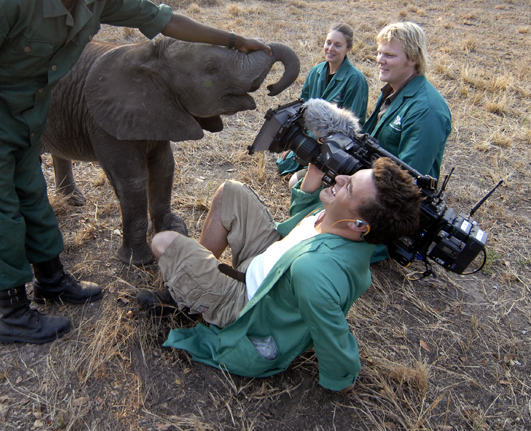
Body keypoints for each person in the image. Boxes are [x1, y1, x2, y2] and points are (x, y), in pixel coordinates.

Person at [0, 0, 271, 345]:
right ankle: (12, 312)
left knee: (33, 197)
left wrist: (230, 40)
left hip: (29, 108)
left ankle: (51, 280)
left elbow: (161, 19)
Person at [136, 157, 421, 392]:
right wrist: (313, 172)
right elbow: (300, 222)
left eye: (349, 187)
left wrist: (341, 379)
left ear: (360, 224)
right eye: (349, 176)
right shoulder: (338, 219)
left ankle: (194, 296)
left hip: (246, 303)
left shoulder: (317, 270)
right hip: (267, 261)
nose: (340, 179)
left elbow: (331, 329)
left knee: (162, 243)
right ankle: (193, 283)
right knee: (231, 190)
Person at [362, 22, 451, 262]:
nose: (380, 59)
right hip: (375, 180)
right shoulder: (395, 90)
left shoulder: (427, 110)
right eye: (380, 52)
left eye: (389, 55)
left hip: (389, 203)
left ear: (412, 59)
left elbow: (407, 181)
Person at [277, 23, 368, 176]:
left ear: (349, 49)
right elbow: (302, 108)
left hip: (334, 147)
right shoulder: (316, 71)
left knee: (297, 177)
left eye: (338, 45)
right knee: (283, 165)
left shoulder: (355, 79)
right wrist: (293, 143)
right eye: (328, 42)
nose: (330, 48)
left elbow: (352, 126)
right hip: (309, 138)